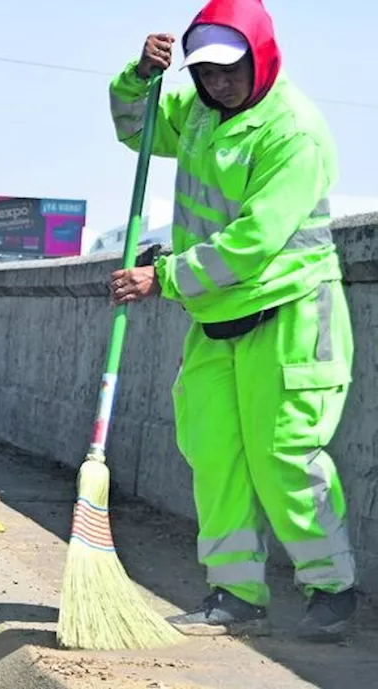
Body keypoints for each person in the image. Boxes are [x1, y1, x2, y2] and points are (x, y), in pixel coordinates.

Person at [107, 0, 357, 641]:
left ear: (262, 57)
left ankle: (330, 590)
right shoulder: (197, 113)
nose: (218, 83)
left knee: (285, 456)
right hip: (217, 316)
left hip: (290, 312)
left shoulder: (293, 132)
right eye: (205, 72)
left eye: (230, 70)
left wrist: (161, 277)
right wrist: (139, 75)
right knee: (214, 455)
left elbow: (254, 241)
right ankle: (234, 595)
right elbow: (137, 130)